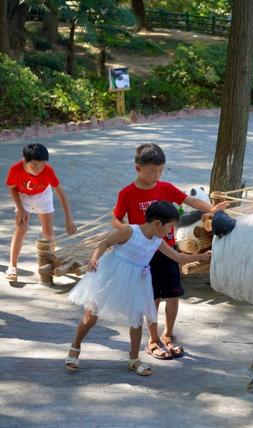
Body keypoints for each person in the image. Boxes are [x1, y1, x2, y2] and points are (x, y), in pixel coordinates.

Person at [65, 201, 212, 376]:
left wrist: (203, 255)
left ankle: (134, 358)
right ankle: (75, 347)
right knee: (91, 315)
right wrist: (94, 258)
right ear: (158, 223)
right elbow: (105, 243)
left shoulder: (157, 241)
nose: (169, 231)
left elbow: (178, 257)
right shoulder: (130, 231)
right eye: (169, 227)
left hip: (136, 281)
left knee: (136, 319)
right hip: (112, 275)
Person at [112, 143, 228, 360]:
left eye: (160, 170)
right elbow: (116, 218)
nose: (156, 175)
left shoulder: (165, 188)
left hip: (168, 250)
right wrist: (130, 232)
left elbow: (190, 200)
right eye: (151, 171)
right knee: (152, 298)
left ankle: (169, 335)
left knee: (173, 295)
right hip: (144, 255)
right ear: (137, 168)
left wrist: (212, 209)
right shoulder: (127, 193)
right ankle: (153, 339)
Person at [5, 143, 77, 282]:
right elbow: (12, 188)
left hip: (43, 195)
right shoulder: (15, 169)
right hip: (23, 196)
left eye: (42, 165)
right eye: (34, 165)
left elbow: (61, 194)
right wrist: (20, 208)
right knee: (21, 227)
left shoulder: (48, 171)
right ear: (24, 160)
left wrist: (69, 219)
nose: (38, 169)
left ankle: (50, 263)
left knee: (48, 233)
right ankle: (12, 266)